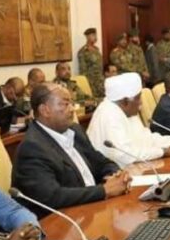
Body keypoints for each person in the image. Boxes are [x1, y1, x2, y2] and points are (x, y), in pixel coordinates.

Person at [12, 83, 129, 218]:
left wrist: (117, 175)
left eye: (71, 103)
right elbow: (53, 196)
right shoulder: (32, 147)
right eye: (65, 104)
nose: (72, 109)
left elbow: (101, 162)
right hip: (62, 220)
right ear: (45, 110)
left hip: (92, 210)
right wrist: (104, 190)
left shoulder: (75, 130)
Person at [87, 73, 170, 168]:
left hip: (134, 169)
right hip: (114, 174)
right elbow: (125, 155)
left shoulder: (126, 111)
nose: (141, 103)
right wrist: (165, 151)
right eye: (138, 98)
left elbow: (146, 137)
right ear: (125, 101)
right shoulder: (109, 114)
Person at [77, 28, 105, 98]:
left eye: (95, 35)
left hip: (100, 81)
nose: (95, 37)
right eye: (93, 35)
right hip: (91, 82)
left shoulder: (96, 49)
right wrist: (87, 84)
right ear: (87, 37)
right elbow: (83, 71)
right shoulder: (83, 51)